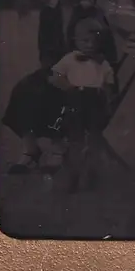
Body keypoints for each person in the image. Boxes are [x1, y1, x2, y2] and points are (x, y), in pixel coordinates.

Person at [2, 0, 117, 173]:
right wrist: (52, 72)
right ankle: (30, 149)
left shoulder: (90, 11)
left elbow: (107, 51)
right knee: (24, 88)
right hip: (59, 69)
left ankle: (58, 149)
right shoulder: (50, 12)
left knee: (54, 92)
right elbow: (44, 49)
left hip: (87, 72)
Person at [48, 17, 115, 191]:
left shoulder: (102, 62)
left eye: (95, 41)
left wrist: (107, 101)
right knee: (75, 139)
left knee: (93, 138)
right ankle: (74, 175)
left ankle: (91, 174)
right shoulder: (70, 59)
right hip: (75, 99)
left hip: (95, 102)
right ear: (75, 41)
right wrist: (68, 86)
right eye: (85, 41)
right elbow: (55, 76)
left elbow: (108, 85)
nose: (90, 45)